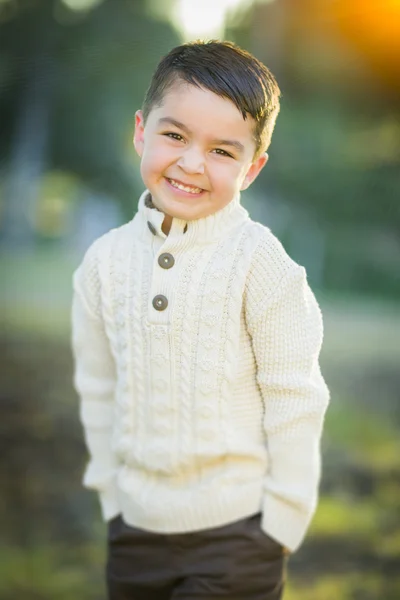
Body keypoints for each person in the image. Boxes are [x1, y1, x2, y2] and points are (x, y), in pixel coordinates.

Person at [71, 40, 330, 600]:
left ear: (252, 167)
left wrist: (281, 522)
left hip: (238, 537)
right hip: (136, 536)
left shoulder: (262, 266)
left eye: (222, 151)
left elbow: (295, 398)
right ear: (141, 131)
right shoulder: (104, 263)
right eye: (174, 135)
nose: (191, 163)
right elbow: (98, 387)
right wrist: (114, 503)